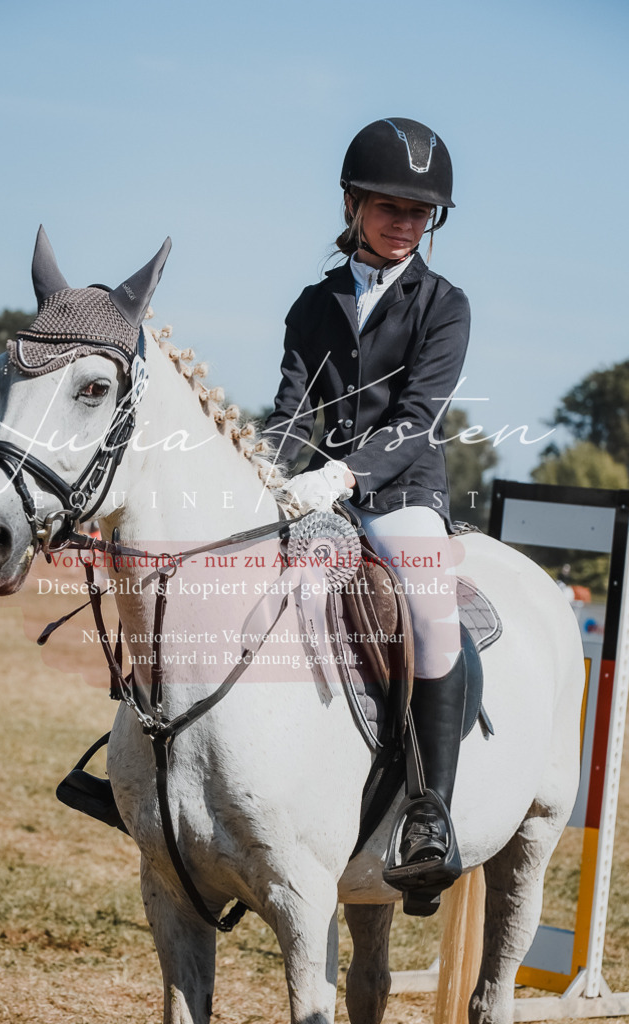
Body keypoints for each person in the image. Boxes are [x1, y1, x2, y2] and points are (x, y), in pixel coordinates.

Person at [264, 117, 470, 904]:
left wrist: (344, 475)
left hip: (403, 493)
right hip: (318, 492)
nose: (405, 223)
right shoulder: (312, 306)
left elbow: (419, 414)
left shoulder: (444, 305)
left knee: (429, 610)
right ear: (352, 202)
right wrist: (267, 474)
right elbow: (290, 413)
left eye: (419, 213)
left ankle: (430, 814)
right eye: (390, 205)